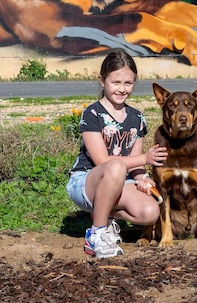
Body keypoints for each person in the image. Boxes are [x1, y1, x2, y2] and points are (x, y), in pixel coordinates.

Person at [66, 48, 168, 258]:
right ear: (102, 81)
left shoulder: (137, 118)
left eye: (128, 83)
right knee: (115, 165)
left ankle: (104, 215)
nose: (122, 89)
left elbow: (135, 165)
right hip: (86, 181)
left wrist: (143, 178)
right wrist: (145, 158)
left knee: (150, 212)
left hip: (120, 180)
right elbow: (102, 160)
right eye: (116, 82)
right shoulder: (92, 114)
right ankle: (97, 233)